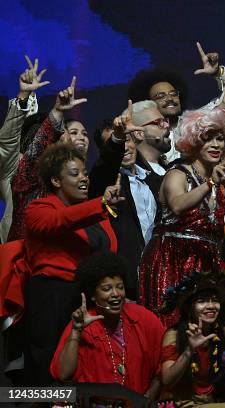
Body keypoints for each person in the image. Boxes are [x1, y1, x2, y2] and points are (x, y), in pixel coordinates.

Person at [20, 143, 123, 385]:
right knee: (48, 362)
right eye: (75, 174)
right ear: (56, 181)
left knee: (81, 362)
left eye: (85, 173)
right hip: (53, 295)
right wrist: (100, 204)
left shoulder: (93, 212)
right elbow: (60, 220)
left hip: (85, 295)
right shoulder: (39, 208)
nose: (84, 179)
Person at [139, 107, 225, 328]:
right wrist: (210, 183)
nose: (215, 145)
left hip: (205, 264)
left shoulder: (218, 183)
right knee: (171, 328)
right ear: (193, 142)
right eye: (207, 139)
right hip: (173, 259)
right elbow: (177, 204)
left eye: (220, 139)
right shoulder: (178, 173)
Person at [51, 252, 164, 398]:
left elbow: (165, 363)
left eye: (120, 287)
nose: (116, 294)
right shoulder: (83, 325)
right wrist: (76, 331)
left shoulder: (143, 318)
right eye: (107, 289)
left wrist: (146, 399)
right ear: (93, 295)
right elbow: (63, 374)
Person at [88, 101, 162, 300]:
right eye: (118, 144)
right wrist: (117, 138)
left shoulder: (155, 179)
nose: (125, 148)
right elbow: (105, 166)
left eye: (127, 140)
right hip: (127, 283)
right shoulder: (102, 183)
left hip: (160, 273)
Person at [7, 76, 87, 242]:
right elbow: (36, 147)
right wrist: (58, 111)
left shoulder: (72, 186)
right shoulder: (26, 177)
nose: (62, 154)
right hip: (28, 264)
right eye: (56, 144)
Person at [159, 269, 225, 407]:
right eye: (202, 301)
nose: (210, 306)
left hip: (212, 401)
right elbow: (167, 380)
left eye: (215, 301)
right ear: (189, 308)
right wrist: (189, 351)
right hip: (180, 402)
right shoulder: (174, 334)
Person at [0, 56, 45, 243]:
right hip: (16, 251)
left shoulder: (66, 171)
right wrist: (24, 96)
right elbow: (9, 139)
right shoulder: (15, 165)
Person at [131, 100, 172, 176]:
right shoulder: (134, 175)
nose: (167, 125)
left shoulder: (170, 167)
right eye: (159, 122)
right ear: (139, 133)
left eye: (165, 121)